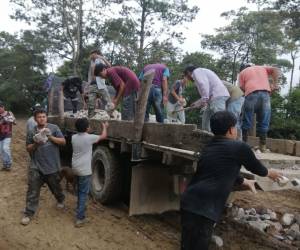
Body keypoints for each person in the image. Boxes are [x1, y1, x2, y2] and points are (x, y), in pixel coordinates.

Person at [180, 111, 283, 250]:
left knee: (187, 245)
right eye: (235, 126)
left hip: (189, 201)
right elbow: (257, 168)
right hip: (205, 207)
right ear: (230, 130)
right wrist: (271, 173)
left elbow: (219, 170)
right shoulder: (239, 147)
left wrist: (243, 181)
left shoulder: (209, 147)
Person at [21, 109, 66, 226]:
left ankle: (60, 199)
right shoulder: (32, 131)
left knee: (55, 187)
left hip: (52, 166)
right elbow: (28, 148)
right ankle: (29, 213)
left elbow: (63, 142)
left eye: (44, 116)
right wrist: (36, 143)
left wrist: (49, 136)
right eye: (39, 117)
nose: (42, 118)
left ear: (46, 118)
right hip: (36, 166)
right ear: (35, 119)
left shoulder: (54, 128)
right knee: (32, 189)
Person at [71, 118, 108, 227]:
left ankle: (79, 209)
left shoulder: (74, 137)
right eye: (89, 126)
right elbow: (103, 136)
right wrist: (105, 127)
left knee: (79, 191)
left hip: (75, 168)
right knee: (83, 193)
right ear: (87, 128)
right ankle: (79, 218)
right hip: (84, 170)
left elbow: (84, 136)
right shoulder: (90, 138)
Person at [238, 63, 279, 152]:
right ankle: (262, 147)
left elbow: (241, 88)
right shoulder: (261, 67)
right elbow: (275, 69)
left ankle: (244, 145)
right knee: (264, 121)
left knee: (246, 119)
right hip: (265, 95)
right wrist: (275, 84)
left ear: (242, 69)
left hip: (251, 94)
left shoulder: (242, 73)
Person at [183, 66, 230, 131]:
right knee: (206, 118)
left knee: (220, 118)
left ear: (188, 72)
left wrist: (203, 100)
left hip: (217, 96)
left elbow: (203, 85)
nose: (187, 78)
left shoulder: (196, 72)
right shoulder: (201, 72)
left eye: (186, 76)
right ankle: (206, 136)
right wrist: (197, 103)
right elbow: (205, 94)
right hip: (212, 98)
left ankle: (225, 137)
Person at [88, 50, 114, 118]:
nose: (90, 56)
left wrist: (102, 58)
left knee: (108, 100)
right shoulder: (92, 61)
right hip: (94, 84)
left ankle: (110, 114)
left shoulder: (99, 59)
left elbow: (109, 66)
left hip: (101, 84)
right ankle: (90, 116)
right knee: (91, 101)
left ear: (95, 54)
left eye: (91, 54)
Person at [0, 101, 16, 171]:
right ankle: (5, 165)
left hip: (7, 134)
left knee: (5, 148)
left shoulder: (9, 113)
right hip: (0, 135)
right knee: (1, 151)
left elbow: (15, 122)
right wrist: (2, 121)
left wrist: (11, 119)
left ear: (3, 107)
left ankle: (9, 163)